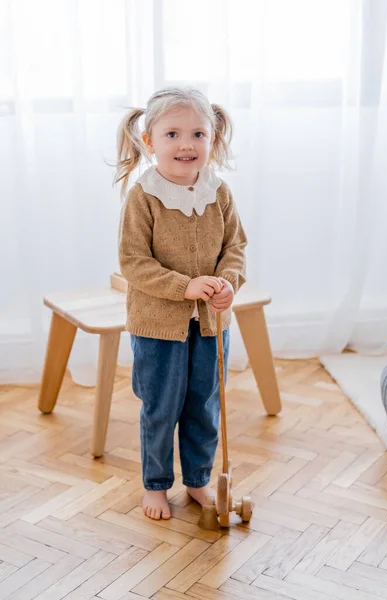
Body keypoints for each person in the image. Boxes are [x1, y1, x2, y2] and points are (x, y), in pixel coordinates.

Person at [116, 87, 247, 520]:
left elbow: (235, 248)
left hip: (211, 324)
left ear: (213, 139)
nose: (186, 144)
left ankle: (198, 479)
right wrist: (184, 287)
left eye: (197, 134)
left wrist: (227, 283)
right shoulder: (144, 196)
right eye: (172, 134)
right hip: (157, 327)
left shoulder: (219, 192)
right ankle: (155, 484)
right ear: (150, 141)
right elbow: (134, 261)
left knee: (204, 404)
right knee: (160, 407)